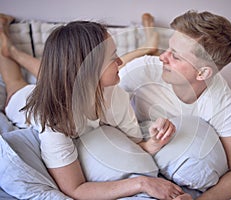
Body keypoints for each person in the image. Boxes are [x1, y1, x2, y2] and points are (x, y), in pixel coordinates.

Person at [0, 13, 192, 200]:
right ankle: (5, 41)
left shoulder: (115, 94)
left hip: (68, 88)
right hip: (25, 101)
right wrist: (142, 183)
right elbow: (74, 189)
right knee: (14, 84)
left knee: (52, 76)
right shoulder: (53, 120)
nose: (119, 61)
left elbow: (133, 143)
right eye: (113, 57)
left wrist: (154, 142)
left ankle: (11, 49)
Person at [119, 10, 231, 200]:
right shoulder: (142, 71)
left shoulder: (221, 103)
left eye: (175, 56)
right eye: (168, 48)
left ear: (202, 73)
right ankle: (147, 45)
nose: (162, 57)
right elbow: (96, 96)